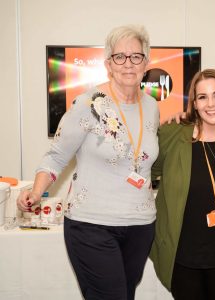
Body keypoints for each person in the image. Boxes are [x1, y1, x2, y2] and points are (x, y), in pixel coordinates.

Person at [17, 24, 159, 300]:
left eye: (136, 56)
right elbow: (56, 155)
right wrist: (36, 191)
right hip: (91, 225)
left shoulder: (152, 106)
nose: (128, 64)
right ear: (108, 64)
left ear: (146, 63)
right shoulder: (88, 103)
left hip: (140, 226)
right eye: (120, 57)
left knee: (125, 295)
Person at [150, 69, 215, 300]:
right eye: (202, 97)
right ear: (194, 104)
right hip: (182, 255)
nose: (211, 104)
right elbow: (145, 172)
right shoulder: (172, 135)